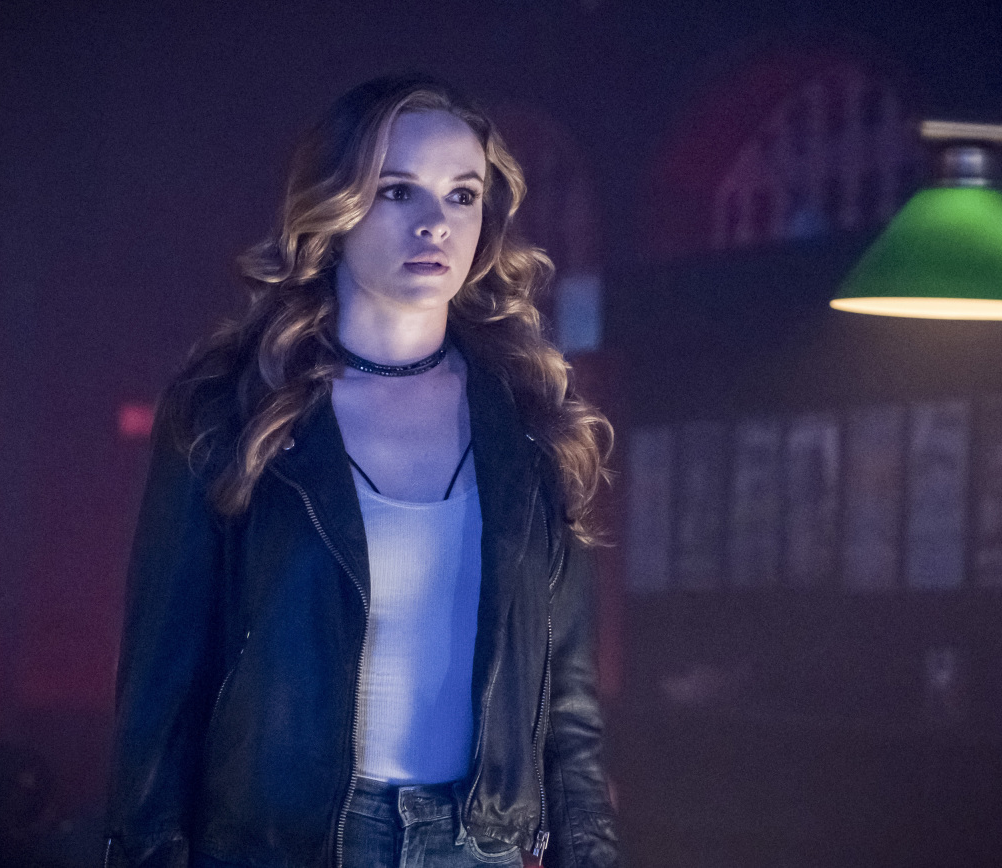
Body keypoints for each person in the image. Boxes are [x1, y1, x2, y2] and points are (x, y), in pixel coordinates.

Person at [104, 74, 617, 868]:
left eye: (461, 195)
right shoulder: (230, 410)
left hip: (474, 847)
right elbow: (160, 689)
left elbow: (569, 703)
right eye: (397, 190)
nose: (435, 223)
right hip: (279, 847)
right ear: (336, 207)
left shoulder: (530, 421)